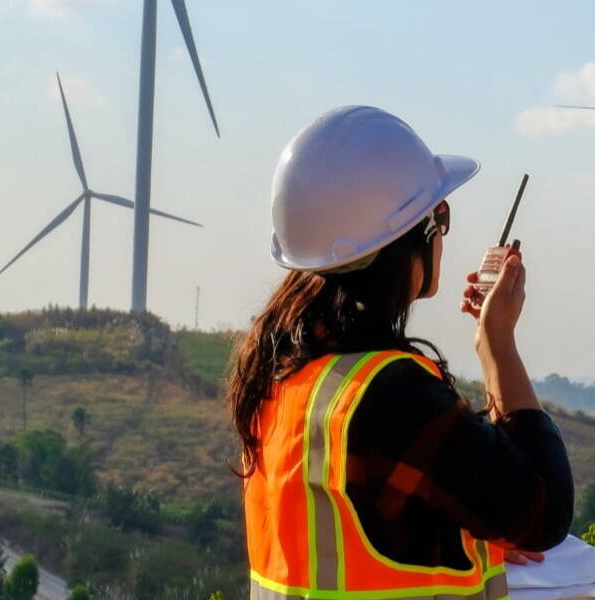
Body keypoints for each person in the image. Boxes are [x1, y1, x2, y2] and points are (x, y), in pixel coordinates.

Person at [228, 105, 573, 599]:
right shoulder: (392, 397)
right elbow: (544, 513)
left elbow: (360, 528)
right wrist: (497, 344)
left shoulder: (282, 377)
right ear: (414, 235)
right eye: (440, 216)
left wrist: (463, 531)